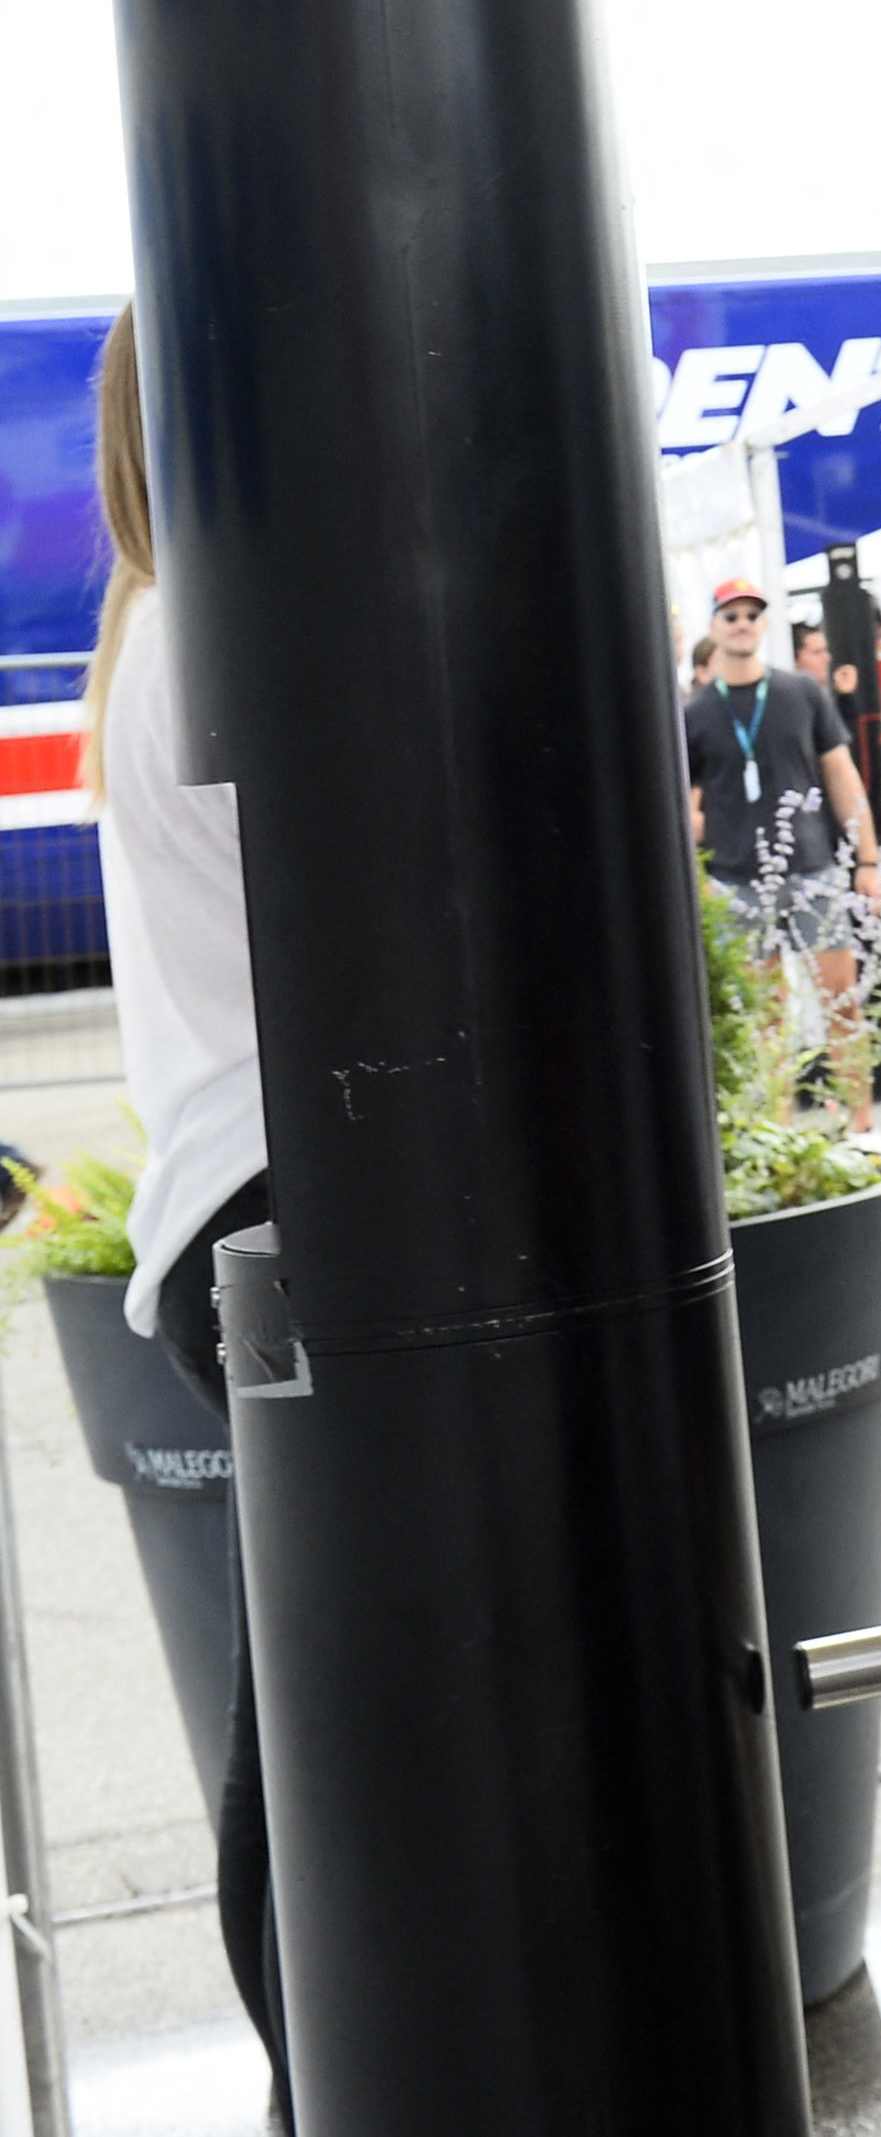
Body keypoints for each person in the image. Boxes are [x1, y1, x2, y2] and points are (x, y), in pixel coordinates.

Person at [84, 304, 289, 2119]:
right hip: (280, 1191)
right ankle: (331, 2056)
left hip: (220, 1195)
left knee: (303, 1681)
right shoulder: (224, 627)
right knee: (320, 1714)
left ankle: (324, 2058)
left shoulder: (149, 621)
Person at [683, 577, 881, 1131]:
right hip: (736, 879)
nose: (742, 623)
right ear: (714, 627)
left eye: (752, 614)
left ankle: (860, 1123)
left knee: (840, 1000)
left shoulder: (800, 693)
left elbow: (841, 776)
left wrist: (867, 859)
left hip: (812, 869)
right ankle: (778, 1132)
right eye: (731, 615)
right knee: (764, 1018)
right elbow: (686, 805)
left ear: (764, 624)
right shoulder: (696, 713)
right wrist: (697, 881)